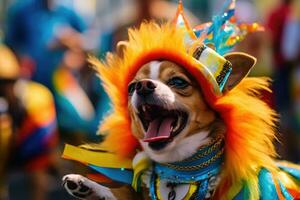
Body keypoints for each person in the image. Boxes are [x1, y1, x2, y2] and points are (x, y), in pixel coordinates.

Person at [0, 44, 58, 200]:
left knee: (38, 165)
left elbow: (38, 157)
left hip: (28, 129)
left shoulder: (38, 99)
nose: (5, 90)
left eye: (7, 83)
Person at [4, 0, 86, 90]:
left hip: (62, 81)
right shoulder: (22, 10)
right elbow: (9, 45)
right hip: (30, 81)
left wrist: (71, 41)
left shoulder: (69, 12)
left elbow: (86, 43)